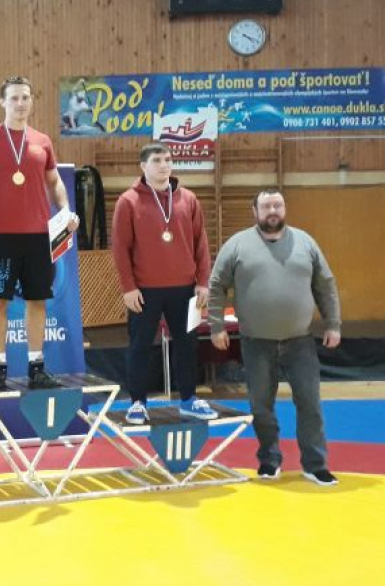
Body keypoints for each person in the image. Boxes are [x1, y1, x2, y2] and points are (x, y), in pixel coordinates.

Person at [209, 189, 341, 486]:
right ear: (254, 211)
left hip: (300, 341)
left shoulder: (305, 242)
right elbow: (216, 285)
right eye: (266, 206)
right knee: (260, 406)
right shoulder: (237, 245)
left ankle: (315, 464)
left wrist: (333, 324)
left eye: (277, 205)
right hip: (256, 342)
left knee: (310, 404)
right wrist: (216, 326)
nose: (272, 210)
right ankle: (269, 460)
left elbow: (325, 284)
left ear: (284, 209)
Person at [0, 75, 79, 391]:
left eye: (25, 97)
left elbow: (54, 182)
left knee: (37, 300)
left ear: (31, 101)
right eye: (14, 98)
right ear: (2, 102)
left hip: (39, 238)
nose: (20, 103)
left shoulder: (42, 141)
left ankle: (36, 367)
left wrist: (65, 210)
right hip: (1, 238)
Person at [111, 142, 217, 424]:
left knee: (188, 345)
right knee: (140, 346)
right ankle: (137, 403)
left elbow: (201, 243)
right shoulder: (128, 201)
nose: (164, 165)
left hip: (186, 289)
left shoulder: (189, 199)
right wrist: (128, 287)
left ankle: (189, 399)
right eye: (157, 160)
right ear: (143, 166)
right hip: (144, 291)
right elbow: (120, 248)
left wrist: (203, 282)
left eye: (168, 160)